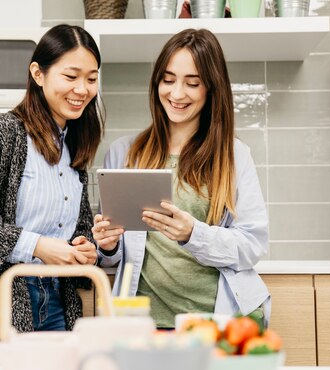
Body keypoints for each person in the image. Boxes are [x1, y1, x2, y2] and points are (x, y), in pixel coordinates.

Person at [93, 28, 270, 329]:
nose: (176, 94)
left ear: (211, 89)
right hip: (144, 325)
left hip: (215, 323)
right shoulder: (124, 153)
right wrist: (107, 245)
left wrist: (192, 234)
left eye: (193, 83)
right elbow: (112, 257)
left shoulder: (234, 155)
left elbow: (251, 245)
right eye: (168, 79)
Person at [0, 24, 103, 348]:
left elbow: (76, 229)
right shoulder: (1, 134)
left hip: (58, 302)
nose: (82, 89)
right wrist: (38, 245)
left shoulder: (74, 147)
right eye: (70, 77)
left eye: (92, 78)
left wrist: (86, 248)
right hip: (0, 303)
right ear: (38, 74)